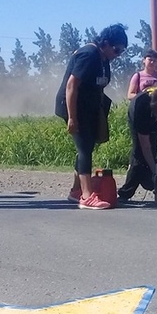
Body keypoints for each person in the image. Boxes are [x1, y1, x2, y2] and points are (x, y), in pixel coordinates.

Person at [55, 24, 128, 210]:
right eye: (116, 50)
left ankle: (75, 191)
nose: (118, 55)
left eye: (121, 51)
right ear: (106, 43)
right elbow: (71, 86)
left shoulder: (103, 59)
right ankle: (86, 196)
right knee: (84, 147)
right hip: (73, 106)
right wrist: (72, 117)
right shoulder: (89, 55)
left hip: (89, 108)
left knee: (87, 146)